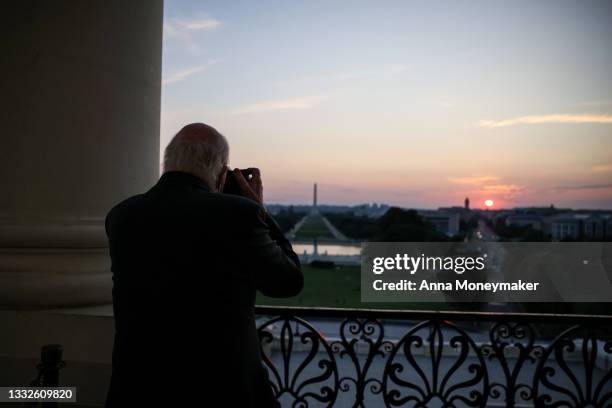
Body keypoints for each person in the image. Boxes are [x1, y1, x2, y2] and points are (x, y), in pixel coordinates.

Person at [104, 123, 303, 407]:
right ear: (222, 172)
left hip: (138, 389)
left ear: (168, 163)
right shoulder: (238, 215)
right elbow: (288, 281)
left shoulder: (122, 215)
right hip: (221, 390)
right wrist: (259, 210)